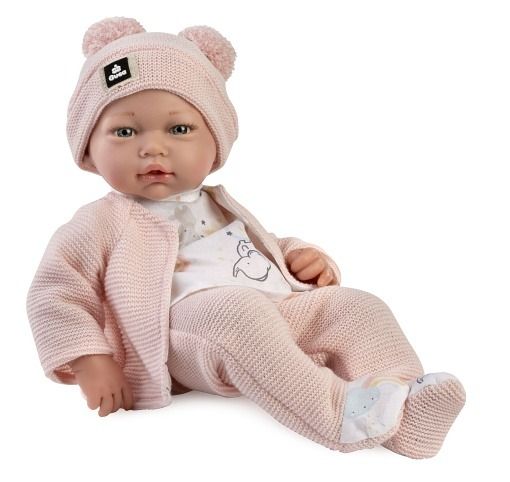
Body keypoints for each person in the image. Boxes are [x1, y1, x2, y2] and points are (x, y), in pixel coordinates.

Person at [26, 16, 466, 459]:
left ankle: (407, 406)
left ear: (215, 144)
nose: (153, 148)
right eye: (125, 132)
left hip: (274, 312)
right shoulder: (101, 222)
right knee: (236, 311)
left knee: (357, 307)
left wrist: (300, 257)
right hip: (185, 335)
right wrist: (90, 359)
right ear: (88, 148)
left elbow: (253, 249)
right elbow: (54, 293)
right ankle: (338, 413)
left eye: (179, 129)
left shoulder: (218, 204)